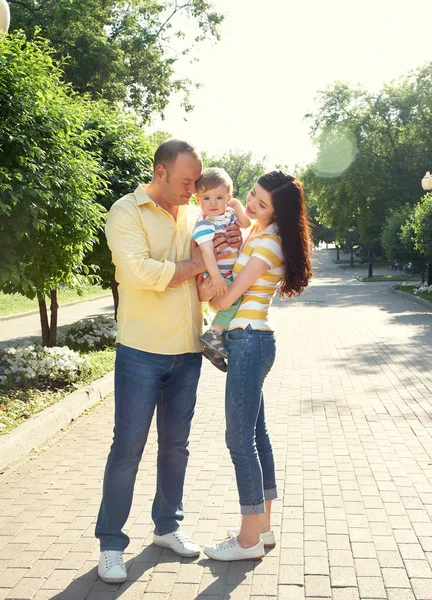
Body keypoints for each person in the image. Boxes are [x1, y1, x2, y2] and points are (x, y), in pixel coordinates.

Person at [95, 139, 242, 583]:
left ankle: (167, 527)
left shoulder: (196, 212)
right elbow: (142, 273)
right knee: (128, 448)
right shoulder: (126, 212)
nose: (193, 189)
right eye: (185, 181)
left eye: (197, 182)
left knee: (176, 447)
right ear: (160, 172)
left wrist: (230, 243)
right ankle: (110, 545)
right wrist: (200, 263)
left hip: (186, 351)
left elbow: (220, 253)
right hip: (141, 350)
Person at [198, 171, 312, 561]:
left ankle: (247, 541)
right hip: (252, 339)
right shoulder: (262, 233)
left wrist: (208, 286)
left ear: (277, 213)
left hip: (248, 341)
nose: (250, 204)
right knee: (256, 435)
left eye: (261, 204)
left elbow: (226, 296)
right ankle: (262, 529)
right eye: (252, 195)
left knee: (239, 440)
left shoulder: (266, 241)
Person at [193, 167, 251, 369]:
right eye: (206, 198)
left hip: (226, 273)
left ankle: (214, 347)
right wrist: (217, 278)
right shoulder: (204, 224)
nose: (213, 203)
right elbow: (207, 253)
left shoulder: (229, 215)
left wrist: (234, 204)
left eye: (219, 197)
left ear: (228, 198)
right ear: (198, 199)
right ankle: (214, 333)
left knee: (234, 302)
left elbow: (246, 222)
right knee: (234, 300)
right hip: (217, 274)